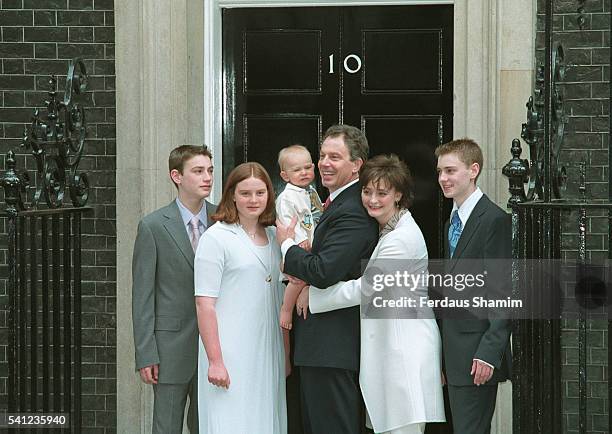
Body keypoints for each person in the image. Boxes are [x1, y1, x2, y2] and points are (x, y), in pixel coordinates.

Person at [301, 154, 446, 434]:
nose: (373, 200)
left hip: (403, 356)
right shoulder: (387, 231)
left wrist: (313, 295)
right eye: (367, 192)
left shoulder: (402, 238)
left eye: (382, 193)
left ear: (399, 195)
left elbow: (366, 288)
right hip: (391, 356)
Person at [276, 124, 379, 434]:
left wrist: (286, 245)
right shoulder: (331, 202)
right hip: (321, 347)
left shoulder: (353, 210)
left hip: (332, 347)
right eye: (322, 155)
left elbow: (323, 270)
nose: (324, 163)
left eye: (335, 156)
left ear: (356, 164)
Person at [194, 162, 288, 434]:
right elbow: (204, 304)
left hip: (268, 348)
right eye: (245, 193)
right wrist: (215, 361)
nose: (253, 200)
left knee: (265, 420)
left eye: (260, 193)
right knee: (232, 421)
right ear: (231, 195)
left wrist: (286, 352)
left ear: (269, 195)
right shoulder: (216, 238)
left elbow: (279, 299)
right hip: (229, 351)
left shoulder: (273, 237)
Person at [132, 144, 215, 434]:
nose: (207, 177)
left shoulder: (224, 220)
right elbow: (142, 296)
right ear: (176, 176)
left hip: (215, 346)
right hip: (169, 348)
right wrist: (146, 353)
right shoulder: (153, 226)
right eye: (198, 171)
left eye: (209, 170)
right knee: (166, 426)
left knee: (208, 425)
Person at [435, 138, 512, 434]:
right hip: (454, 354)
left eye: (451, 171)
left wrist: (489, 352)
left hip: (477, 355)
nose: (443, 178)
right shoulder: (452, 221)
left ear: (473, 170)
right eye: (440, 171)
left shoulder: (493, 220)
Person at [275, 144, 324, 330]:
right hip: (298, 245)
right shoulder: (287, 197)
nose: (304, 172)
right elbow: (288, 222)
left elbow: (315, 214)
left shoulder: (311, 192)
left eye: (308, 167)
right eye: (297, 170)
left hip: (312, 244)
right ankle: (286, 309)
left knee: (308, 276)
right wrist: (298, 241)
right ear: (285, 176)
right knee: (297, 279)